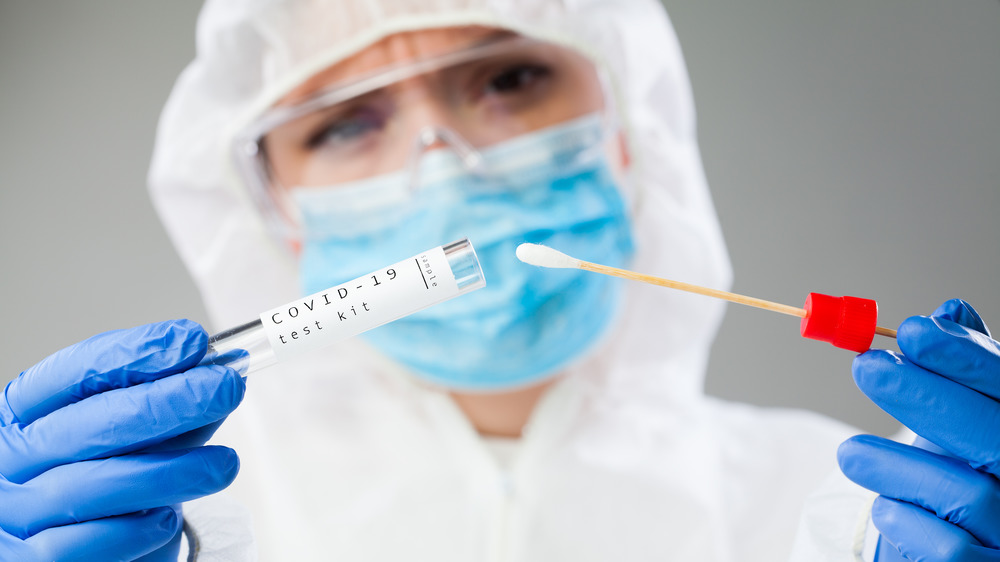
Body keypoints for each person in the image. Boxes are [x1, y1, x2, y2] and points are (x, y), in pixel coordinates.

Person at [2, 0, 998, 560]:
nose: (443, 164)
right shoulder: (166, 524)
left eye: (510, 78)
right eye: (345, 123)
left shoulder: (848, 508)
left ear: (628, 126)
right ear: (272, 212)